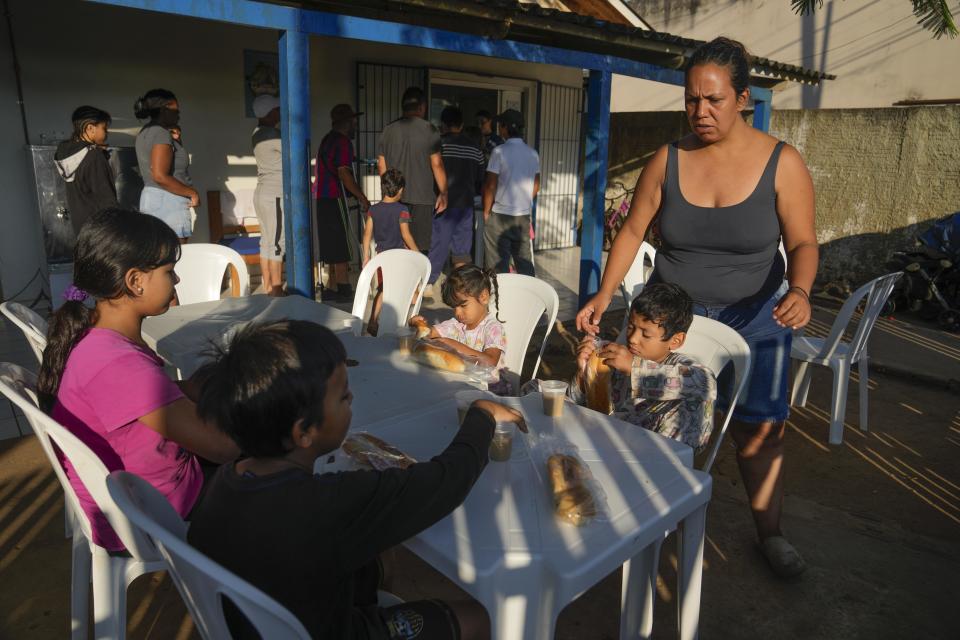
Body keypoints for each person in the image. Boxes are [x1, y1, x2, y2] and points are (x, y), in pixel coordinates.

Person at [576, 37, 818, 579]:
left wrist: (799, 291)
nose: (700, 112)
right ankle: (637, 516)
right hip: (670, 317)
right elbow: (633, 229)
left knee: (760, 430)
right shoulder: (668, 159)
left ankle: (771, 534)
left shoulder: (782, 163)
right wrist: (601, 292)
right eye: (691, 100)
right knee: (642, 409)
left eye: (713, 100)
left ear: (742, 97)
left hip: (756, 318)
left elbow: (803, 242)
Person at [188, 319, 526, 639]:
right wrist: (481, 414)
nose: (352, 400)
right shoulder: (329, 504)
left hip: (254, 621)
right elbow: (447, 482)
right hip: (325, 631)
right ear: (303, 431)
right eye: (343, 397)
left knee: (376, 560)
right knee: (485, 618)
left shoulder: (225, 479)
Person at [36, 209, 239, 552]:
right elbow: (223, 448)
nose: (175, 282)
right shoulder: (118, 364)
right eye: (169, 272)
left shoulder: (98, 339)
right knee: (281, 473)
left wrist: (196, 387)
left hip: (139, 495)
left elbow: (148, 404)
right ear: (135, 281)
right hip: (153, 513)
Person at [569, 283, 716, 451]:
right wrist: (585, 373)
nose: (632, 338)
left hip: (661, 462)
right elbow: (577, 405)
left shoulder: (686, 371)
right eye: (630, 327)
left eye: (646, 334)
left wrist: (634, 367)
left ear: (676, 340)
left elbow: (705, 382)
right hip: (611, 447)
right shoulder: (616, 359)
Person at [408, 264, 511, 394]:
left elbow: (490, 361)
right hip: (463, 385)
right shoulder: (455, 325)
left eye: (463, 305)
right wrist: (417, 323)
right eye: (454, 307)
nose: (457, 313)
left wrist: (455, 346)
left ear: (484, 297)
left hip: (491, 391)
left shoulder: (493, 328)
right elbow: (428, 334)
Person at [377, 87, 448, 266]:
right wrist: (444, 192)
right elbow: (437, 164)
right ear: (422, 107)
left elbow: (381, 165)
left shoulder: (388, 130)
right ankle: (416, 289)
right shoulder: (430, 130)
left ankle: (397, 287)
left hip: (395, 197)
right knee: (419, 248)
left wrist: (387, 191)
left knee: (395, 246)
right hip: (423, 198)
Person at [426, 106, 484, 294]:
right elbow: (479, 177)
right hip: (466, 204)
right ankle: (462, 287)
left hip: (443, 203)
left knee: (438, 244)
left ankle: (428, 285)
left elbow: (432, 169)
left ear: (443, 124)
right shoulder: (475, 147)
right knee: (462, 249)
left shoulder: (439, 145)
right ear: (461, 124)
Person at [316, 103, 369, 302]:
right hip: (334, 195)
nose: (356, 124)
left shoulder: (326, 139)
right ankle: (344, 289)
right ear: (348, 122)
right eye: (354, 121)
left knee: (330, 243)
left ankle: (331, 288)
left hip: (321, 196)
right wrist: (361, 197)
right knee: (341, 244)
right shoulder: (343, 142)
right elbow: (344, 172)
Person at [134, 88, 199, 242]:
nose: (179, 114)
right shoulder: (161, 133)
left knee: (157, 258)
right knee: (176, 257)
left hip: (152, 199)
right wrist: (192, 193)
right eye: (176, 109)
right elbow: (160, 176)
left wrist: (176, 142)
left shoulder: (145, 132)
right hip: (168, 201)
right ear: (165, 109)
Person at [482, 109, 540, 276]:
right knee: (524, 263)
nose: (499, 129)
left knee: (497, 265)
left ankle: (500, 298)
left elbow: (490, 185)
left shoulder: (499, 151)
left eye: (501, 126)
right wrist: (524, 201)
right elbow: (536, 185)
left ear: (505, 128)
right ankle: (529, 298)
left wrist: (486, 212)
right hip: (522, 217)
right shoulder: (532, 153)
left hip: (500, 215)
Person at [361, 169, 419, 335]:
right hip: (400, 257)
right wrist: (417, 253)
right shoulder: (402, 210)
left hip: (382, 258)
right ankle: (412, 320)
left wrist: (366, 256)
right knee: (409, 287)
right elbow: (405, 234)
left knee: (383, 289)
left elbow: (366, 235)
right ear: (400, 190)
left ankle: (373, 320)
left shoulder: (373, 210)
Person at [54, 106, 119, 235]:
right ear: (90, 128)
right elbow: (107, 199)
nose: (106, 133)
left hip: (81, 227)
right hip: (101, 230)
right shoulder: (93, 156)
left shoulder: (64, 152)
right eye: (104, 128)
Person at [251, 94, 285, 296]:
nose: (280, 113)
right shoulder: (273, 134)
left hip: (262, 192)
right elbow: (294, 153)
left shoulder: (256, 132)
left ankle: (268, 286)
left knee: (266, 241)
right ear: (271, 112)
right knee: (277, 243)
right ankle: (277, 289)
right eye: (278, 109)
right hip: (275, 193)